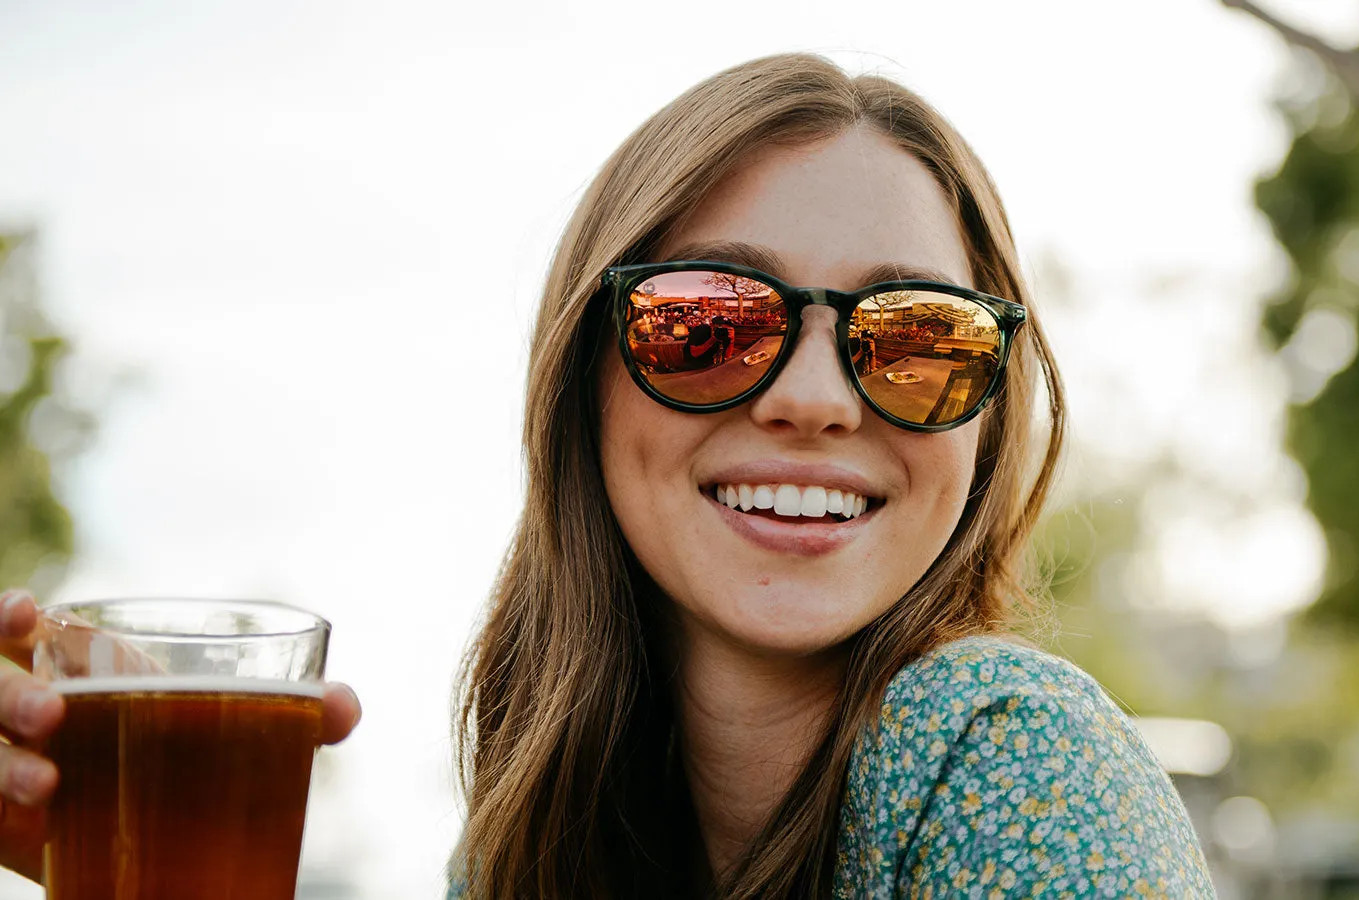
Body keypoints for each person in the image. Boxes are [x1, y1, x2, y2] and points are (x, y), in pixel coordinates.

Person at [0, 53, 1216, 899]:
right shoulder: (525, 842)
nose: (813, 397)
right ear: (581, 383)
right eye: (706, 321)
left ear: (983, 425)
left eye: (915, 340)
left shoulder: (1004, 752)